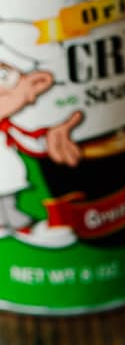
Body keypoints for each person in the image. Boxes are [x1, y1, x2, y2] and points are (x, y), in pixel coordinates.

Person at [0, 25, 84, 248]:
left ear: (36, 84)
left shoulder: (12, 127)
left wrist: (53, 135)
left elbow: (30, 141)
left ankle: (19, 225)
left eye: (3, 75)